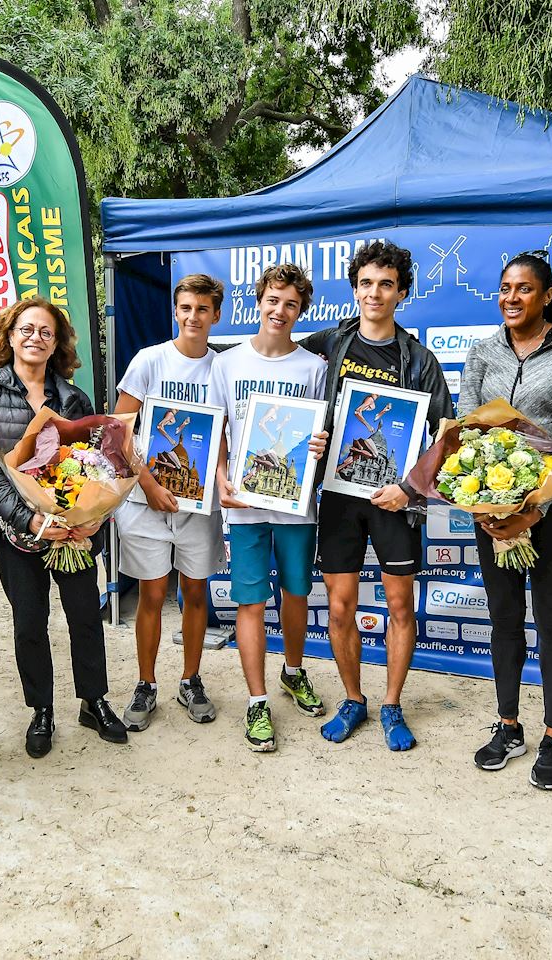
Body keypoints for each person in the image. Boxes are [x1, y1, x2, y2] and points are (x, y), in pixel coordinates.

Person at [300, 240, 453, 751]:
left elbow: (447, 437)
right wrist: (309, 441)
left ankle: (391, 704)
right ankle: (352, 699)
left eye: (386, 284)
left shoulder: (420, 361)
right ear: (355, 288)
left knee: (400, 605)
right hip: (340, 496)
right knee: (340, 609)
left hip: (395, 501)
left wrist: (409, 488)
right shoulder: (326, 345)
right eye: (366, 283)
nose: (375, 292)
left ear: (401, 292)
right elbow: (271, 364)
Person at [457, 251, 552, 790]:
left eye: (523, 289)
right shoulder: (481, 352)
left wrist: (532, 508)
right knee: (503, 620)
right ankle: (509, 724)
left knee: (550, 623)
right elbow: (465, 434)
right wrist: (488, 507)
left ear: (547, 296)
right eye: (504, 288)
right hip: (490, 511)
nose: (511, 298)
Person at [0, 296, 126, 758]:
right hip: (15, 532)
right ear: (9, 335)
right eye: (27, 329)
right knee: (30, 622)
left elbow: (99, 464)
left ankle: (93, 700)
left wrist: (90, 517)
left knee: (84, 615)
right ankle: (41, 709)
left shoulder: (74, 397)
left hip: (73, 530)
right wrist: (31, 518)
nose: (35, 338)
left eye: (46, 332)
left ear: (57, 343)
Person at [208, 263, 330, 753]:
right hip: (243, 502)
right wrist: (219, 478)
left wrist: (319, 444)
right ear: (258, 301)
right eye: (273, 301)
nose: (280, 311)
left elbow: (319, 430)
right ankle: (257, 701)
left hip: (296, 504)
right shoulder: (227, 363)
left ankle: (293, 672)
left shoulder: (314, 368)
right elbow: (217, 429)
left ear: (302, 310)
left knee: (296, 593)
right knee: (250, 600)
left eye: (292, 304)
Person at [113, 274, 227, 732]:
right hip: (146, 501)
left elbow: (227, 436)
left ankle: (191, 679)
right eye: (186, 308)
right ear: (175, 311)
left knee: (195, 591)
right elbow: (119, 432)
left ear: (216, 315)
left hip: (199, 505)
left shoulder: (225, 368)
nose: (193, 317)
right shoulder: (148, 361)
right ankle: (146, 684)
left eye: (202, 309)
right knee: (152, 594)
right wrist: (149, 485)